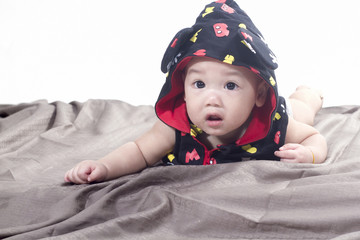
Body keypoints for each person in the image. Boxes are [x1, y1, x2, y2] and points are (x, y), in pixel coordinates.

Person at [64, 0, 327, 184]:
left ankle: (309, 93)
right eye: (199, 85)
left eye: (230, 86)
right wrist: (104, 166)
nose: (212, 99)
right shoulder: (177, 127)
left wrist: (310, 154)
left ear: (259, 94)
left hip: (283, 112)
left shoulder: (272, 123)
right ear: (183, 88)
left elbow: (315, 138)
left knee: (302, 109)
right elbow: (139, 151)